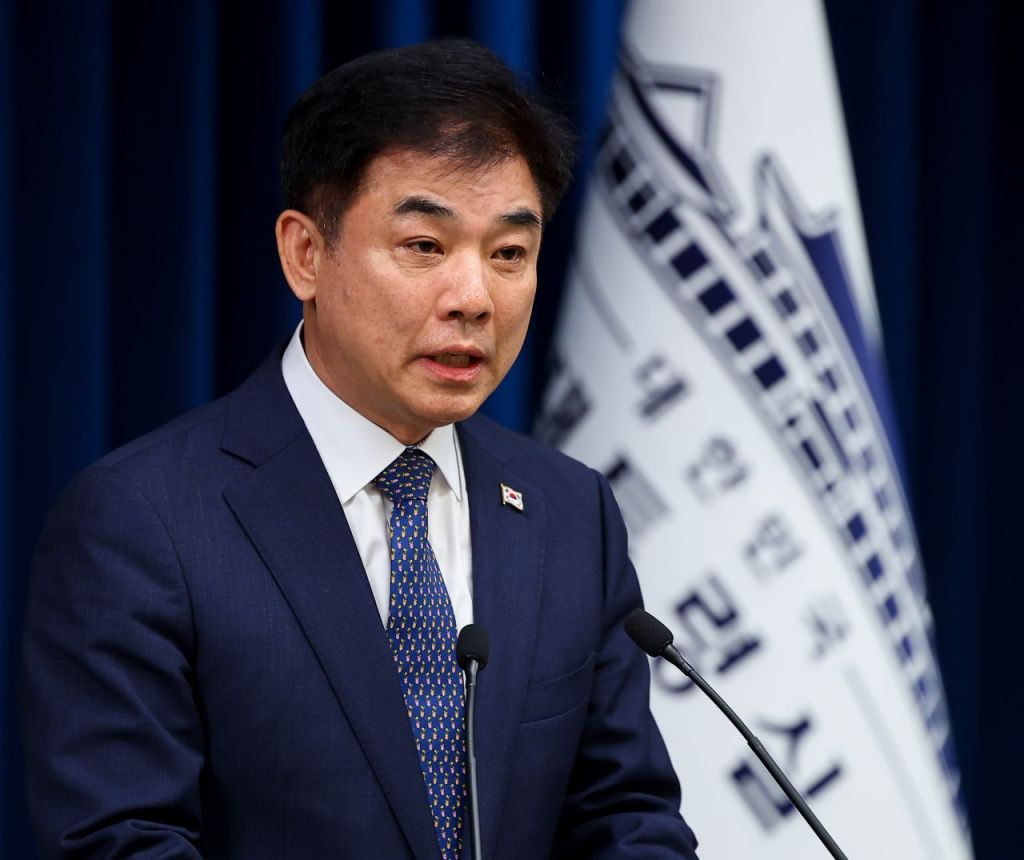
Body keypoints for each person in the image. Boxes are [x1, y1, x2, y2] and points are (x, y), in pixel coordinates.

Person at [21, 39, 699, 859]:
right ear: (306, 254)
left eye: (508, 254)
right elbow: (120, 840)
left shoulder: (569, 510)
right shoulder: (142, 521)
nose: (473, 298)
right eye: (424, 246)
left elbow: (626, 817)